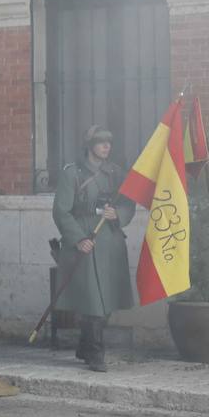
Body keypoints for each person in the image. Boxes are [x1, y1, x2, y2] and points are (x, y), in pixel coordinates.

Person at [52, 125, 134, 373]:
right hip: (85, 240)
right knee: (93, 301)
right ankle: (96, 353)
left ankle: (85, 347)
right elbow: (61, 211)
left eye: (109, 142)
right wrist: (77, 238)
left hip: (109, 241)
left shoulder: (116, 173)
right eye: (101, 142)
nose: (106, 146)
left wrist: (116, 213)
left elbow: (129, 204)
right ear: (89, 146)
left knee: (105, 301)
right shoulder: (72, 174)